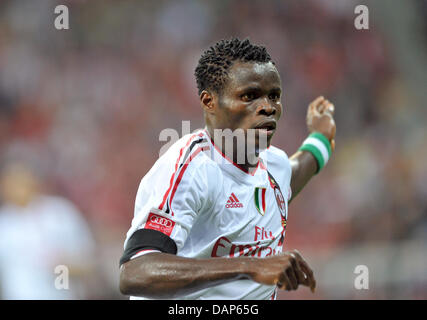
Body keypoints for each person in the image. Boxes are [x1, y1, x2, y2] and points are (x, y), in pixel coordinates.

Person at [119, 38, 336, 300]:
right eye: (249, 96)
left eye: (274, 96)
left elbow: (300, 168)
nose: (267, 106)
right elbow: (136, 272)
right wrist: (248, 266)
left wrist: (321, 137)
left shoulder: (274, 166)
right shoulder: (191, 168)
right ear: (209, 101)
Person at [0, 162, 95, 299]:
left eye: (22, 181)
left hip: (60, 294)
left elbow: (89, 261)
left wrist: (66, 266)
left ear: (34, 181)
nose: (17, 188)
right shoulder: (3, 223)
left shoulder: (59, 212)